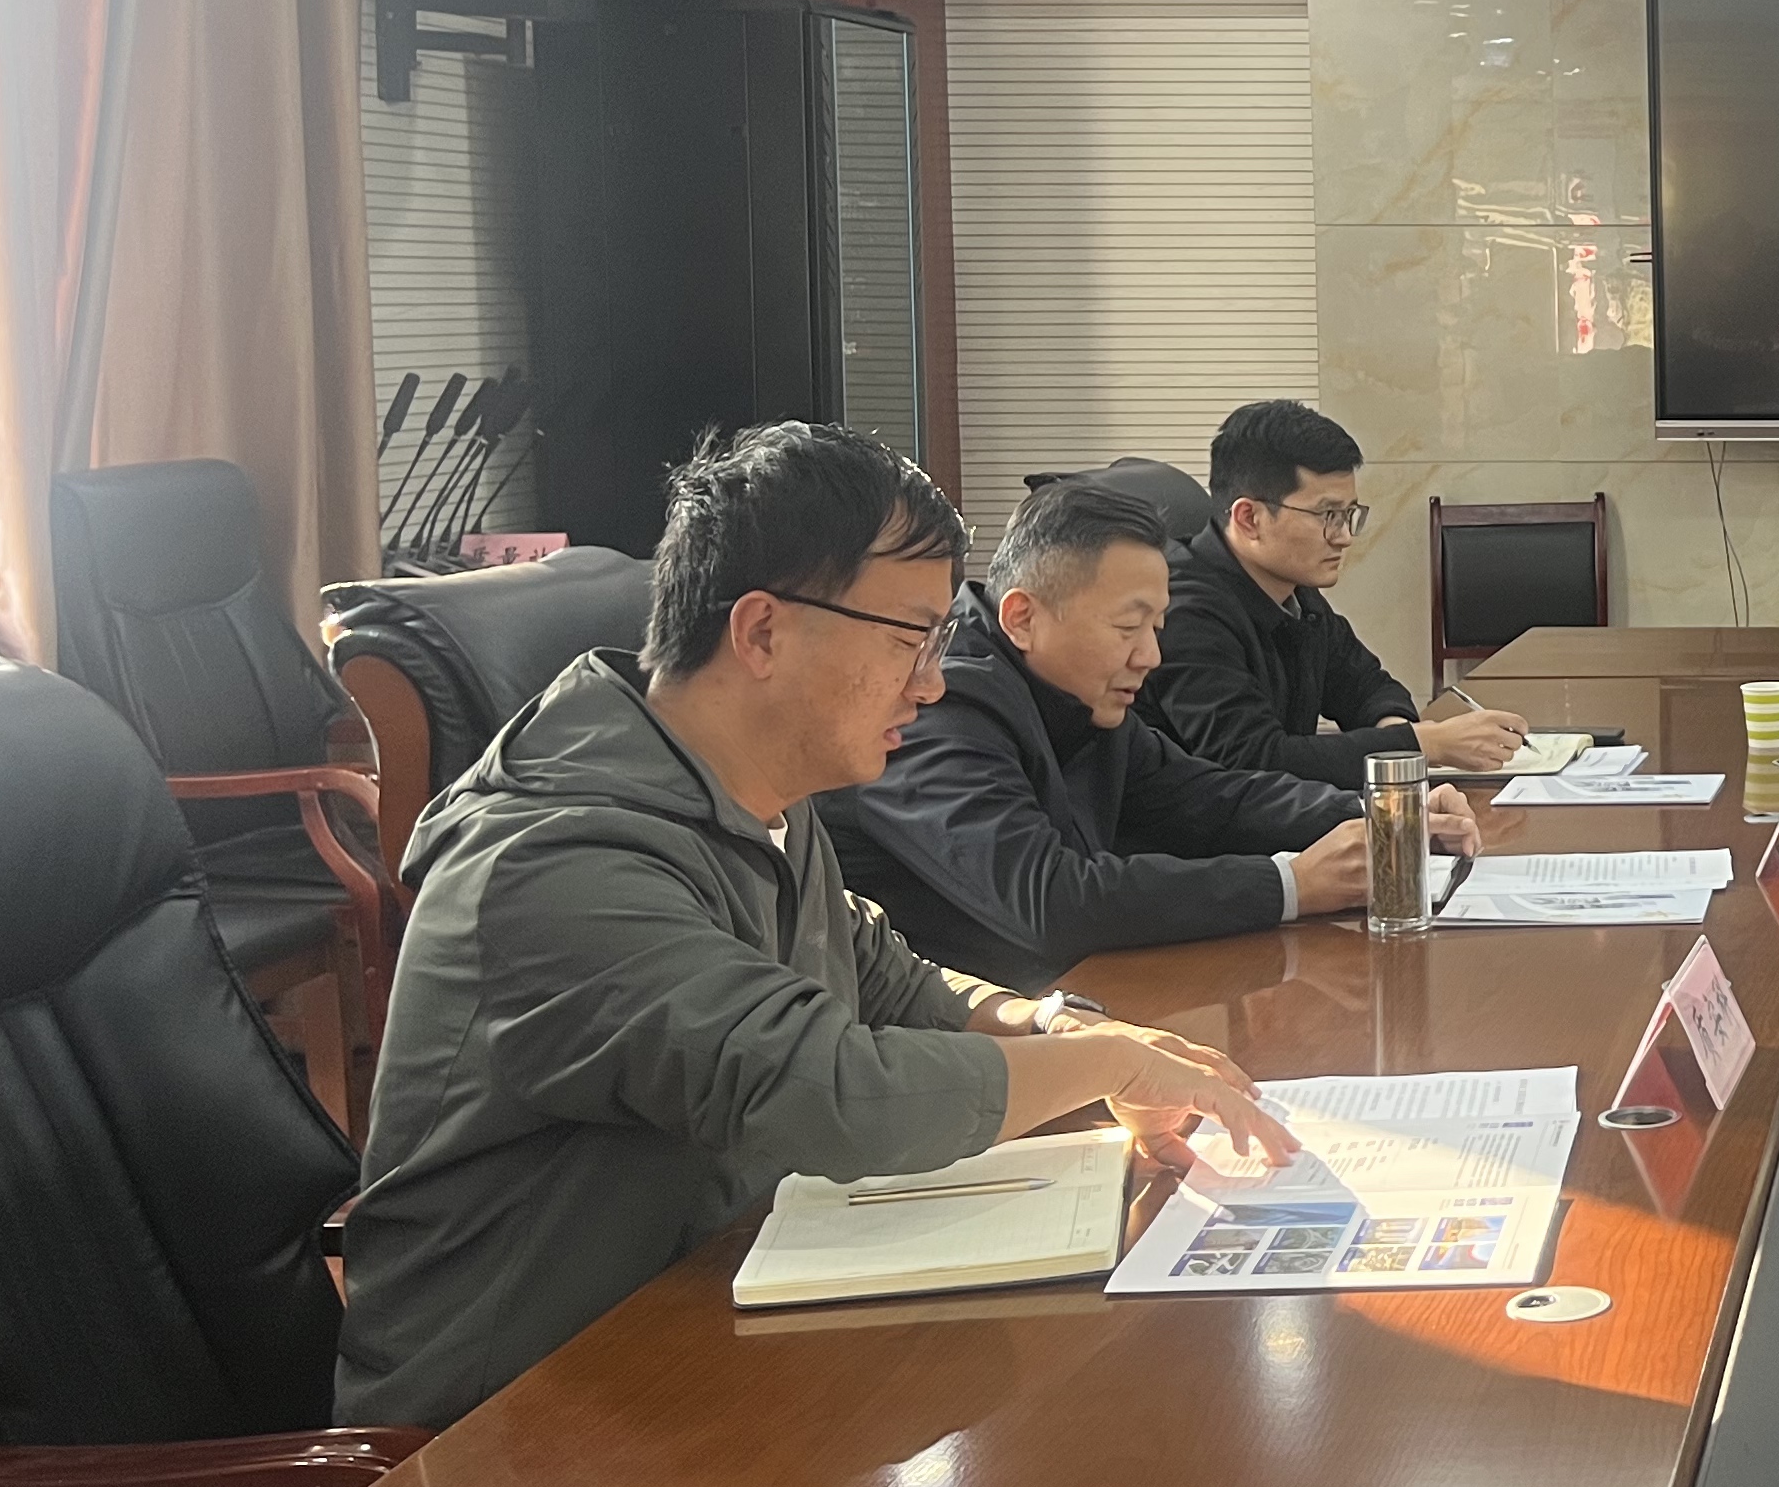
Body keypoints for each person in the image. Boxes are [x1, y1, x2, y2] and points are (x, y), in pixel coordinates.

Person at [337, 422, 1301, 1431]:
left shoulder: (753, 798)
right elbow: (831, 1089)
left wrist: (1060, 1029)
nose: (932, 684)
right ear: (762, 633)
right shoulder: (553, 865)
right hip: (505, 1433)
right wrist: (1106, 1064)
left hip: (705, 1335)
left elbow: (893, 981)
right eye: (911, 640)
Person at [826, 479, 1477, 993]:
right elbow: (1049, 902)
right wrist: (1291, 885)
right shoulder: (940, 704)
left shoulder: (1078, 694)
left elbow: (1210, 798)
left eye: (1157, 627)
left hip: (1069, 1004)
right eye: (1127, 627)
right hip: (952, 1045)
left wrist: (1387, 815)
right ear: (1021, 617)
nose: (1151, 656)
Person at [1147, 398, 1532, 785]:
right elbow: (1253, 761)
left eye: (1349, 514)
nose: (1345, 536)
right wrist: (1423, 744)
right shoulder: (1182, 610)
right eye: (1327, 515)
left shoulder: (1294, 593)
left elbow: (1367, 686)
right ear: (1250, 518)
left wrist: (1396, 733)